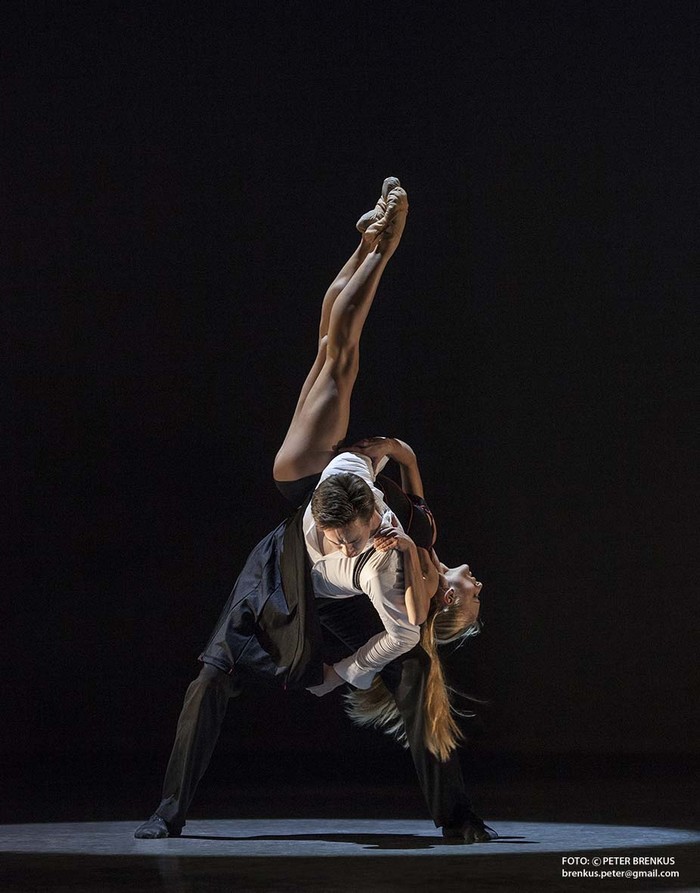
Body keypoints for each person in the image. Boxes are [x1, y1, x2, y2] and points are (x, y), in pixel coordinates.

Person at [134, 178, 494, 844]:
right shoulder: (416, 542)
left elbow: (399, 632)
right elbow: (386, 465)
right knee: (331, 352)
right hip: (314, 517)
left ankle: (457, 814)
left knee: (337, 357)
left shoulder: (402, 583)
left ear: (450, 602)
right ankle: (370, 243)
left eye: (474, 601)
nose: (480, 585)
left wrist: (339, 675)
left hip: (314, 544)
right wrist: (403, 470)